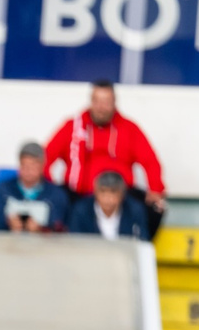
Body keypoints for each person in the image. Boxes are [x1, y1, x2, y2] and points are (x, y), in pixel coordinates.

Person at [42, 81, 164, 230]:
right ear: (91, 102)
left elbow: (150, 161)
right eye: (97, 101)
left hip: (119, 197)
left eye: (106, 102)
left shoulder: (129, 128)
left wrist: (155, 188)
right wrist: (48, 187)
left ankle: (134, 247)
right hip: (79, 194)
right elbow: (44, 157)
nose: (101, 107)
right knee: (53, 202)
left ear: (114, 103)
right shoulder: (72, 126)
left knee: (155, 208)